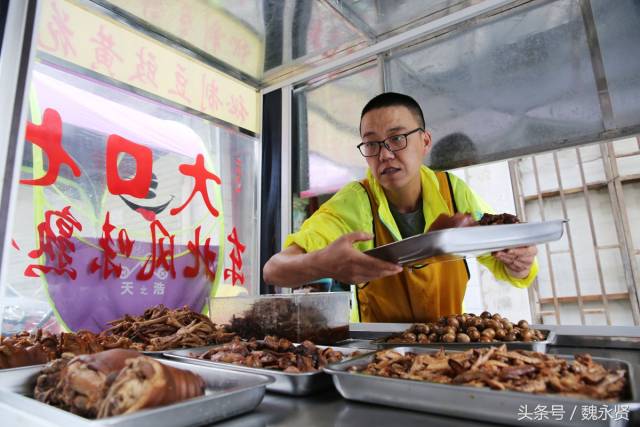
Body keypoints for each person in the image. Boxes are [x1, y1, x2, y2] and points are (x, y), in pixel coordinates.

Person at [263, 92, 538, 322]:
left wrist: (519, 263)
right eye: (372, 144)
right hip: (377, 355)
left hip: (450, 343)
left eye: (397, 138)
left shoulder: (453, 191)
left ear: (425, 141)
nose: (385, 154)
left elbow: (501, 258)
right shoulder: (355, 201)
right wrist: (322, 264)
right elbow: (274, 269)